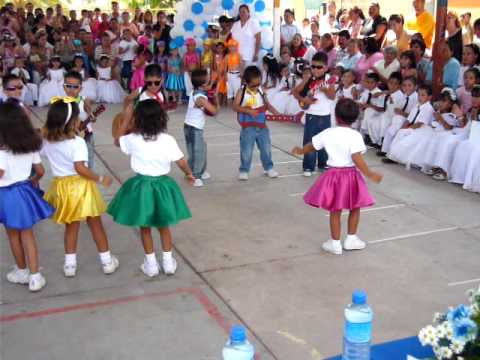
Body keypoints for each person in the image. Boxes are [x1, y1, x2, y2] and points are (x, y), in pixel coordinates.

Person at [108, 99, 193, 277]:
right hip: (162, 186)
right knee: (163, 225)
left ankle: (151, 263)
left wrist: (126, 118)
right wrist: (188, 173)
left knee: (145, 226)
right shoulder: (167, 140)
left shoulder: (132, 139)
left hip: (141, 187)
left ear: (137, 119)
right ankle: (168, 262)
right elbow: (181, 161)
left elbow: (117, 140)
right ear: (162, 119)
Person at [291, 98, 382, 255]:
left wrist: (300, 151)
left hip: (333, 175)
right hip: (351, 175)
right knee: (355, 207)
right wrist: (369, 173)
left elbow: (312, 146)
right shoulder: (355, 135)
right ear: (355, 118)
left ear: (336, 115)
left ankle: (335, 243)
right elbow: (356, 157)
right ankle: (351, 239)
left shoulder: (328, 133)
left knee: (335, 209)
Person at [41, 97, 119, 278]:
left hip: (61, 187)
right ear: (73, 121)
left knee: (71, 226)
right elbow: (80, 168)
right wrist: (100, 178)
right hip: (81, 188)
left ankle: (70, 265)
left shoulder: (49, 142)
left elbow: (43, 152)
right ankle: (107, 261)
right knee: (95, 223)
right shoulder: (77, 143)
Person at [0, 101, 53, 292]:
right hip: (24, 192)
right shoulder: (30, 146)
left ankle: (22, 271)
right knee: (28, 234)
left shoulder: (2, 151)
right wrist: (32, 180)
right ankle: (35, 276)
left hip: (6, 195)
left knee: (13, 234)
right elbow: (40, 171)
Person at [232, 66, 280, 181]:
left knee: (266, 148)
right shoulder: (241, 91)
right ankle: (244, 170)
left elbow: (267, 104)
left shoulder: (261, 90)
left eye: (258, 84)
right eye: (253, 85)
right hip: (248, 127)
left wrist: (276, 112)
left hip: (262, 126)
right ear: (245, 81)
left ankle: (268, 168)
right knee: (246, 150)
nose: (256, 87)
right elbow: (235, 106)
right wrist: (248, 110)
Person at [293, 52, 336, 176]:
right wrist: (304, 100)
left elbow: (332, 96)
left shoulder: (329, 79)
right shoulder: (308, 78)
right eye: (313, 66)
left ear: (326, 68)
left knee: (324, 141)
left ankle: (323, 164)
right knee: (310, 141)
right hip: (311, 114)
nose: (315, 70)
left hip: (325, 115)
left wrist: (325, 90)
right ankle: (308, 166)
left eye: (319, 67)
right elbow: (295, 92)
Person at [184, 69, 218, 188]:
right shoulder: (200, 98)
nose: (209, 78)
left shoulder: (198, 90)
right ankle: (195, 176)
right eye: (208, 77)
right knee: (197, 152)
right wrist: (216, 99)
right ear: (203, 83)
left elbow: (208, 87)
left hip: (191, 126)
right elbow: (214, 111)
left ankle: (199, 171)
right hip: (194, 128)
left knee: (199, 149)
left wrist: (213, 80)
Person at [387, 84, 435, 165]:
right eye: (419, 95)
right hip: (413, 127)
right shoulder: (416, 105)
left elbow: (419, 124)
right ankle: (393, 156)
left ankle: (399, 158)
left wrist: (407, 129)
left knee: (407, 138)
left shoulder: (428, 108)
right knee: (400, 132)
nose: (420, 97)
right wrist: (403, 128)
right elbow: (409, 119)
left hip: (422, 130)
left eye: (423, 95)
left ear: (429, 97)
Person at [63, 71, 97, 170]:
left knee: (88, 156)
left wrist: (92, 117)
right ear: (63, 87)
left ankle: (90, 176)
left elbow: (90, 113)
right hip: (68, 135)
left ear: (81, 88)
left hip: (85, 134)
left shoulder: (84, 100)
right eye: (68, 86)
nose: (71, 89)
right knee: (70, 159)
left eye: (75, 87)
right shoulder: (61, 104)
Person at [380, 76, 419, 158]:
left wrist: (403, 113)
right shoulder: (404, 96)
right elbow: (396, 109)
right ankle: (385, 150)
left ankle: (392, 154)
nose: (406, 88)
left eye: (409, 85)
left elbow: (416, 116)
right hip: (399, 119)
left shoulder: (417, 99)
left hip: (410, 121)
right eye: (404, 85)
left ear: (415, 87)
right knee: (391, 127)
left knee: (396, 127)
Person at [358, 72, 385, 146]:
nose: (369, 84)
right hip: (365, 111)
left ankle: (369, 136)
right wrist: (360, 105)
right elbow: (361, 102)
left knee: (369, 111)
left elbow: (381, 109)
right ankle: (364, 134)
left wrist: (369, 106)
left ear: (377, 83)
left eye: (372, 82)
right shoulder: (366, 91)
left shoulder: (379, 93)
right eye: (368, 82)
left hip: (377, 113)